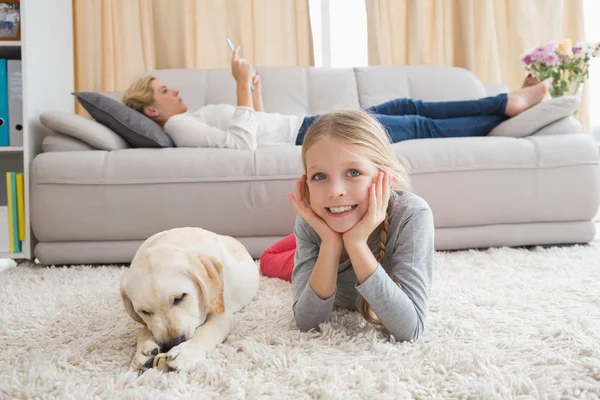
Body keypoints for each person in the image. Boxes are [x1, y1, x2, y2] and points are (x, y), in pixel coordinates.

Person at [122, 46, 552, 150]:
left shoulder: (189, 115)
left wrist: (252, 92)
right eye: (163, 91)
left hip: (309, 122)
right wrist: (238, 88)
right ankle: (502, 112)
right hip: (308, 134)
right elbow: (238, 147)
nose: (173, 90)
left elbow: (249, 125)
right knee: (417, 126)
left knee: (407, 107)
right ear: (151, 109)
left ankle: (504, 102)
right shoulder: (176, 125)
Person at [283, 108, 433, 341]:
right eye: (319, 176)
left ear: (385, 176)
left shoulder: (412, 214)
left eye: (353, 172)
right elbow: (307, 323)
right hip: (309, 243)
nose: (335, 192)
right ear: (306, 184)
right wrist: (331, 244)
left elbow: (409, 329)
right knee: (272, 261)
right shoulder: (309, 222)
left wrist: (356, 243)